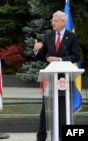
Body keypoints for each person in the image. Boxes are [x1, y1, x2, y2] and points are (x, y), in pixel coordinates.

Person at [33, 11, 80, 141]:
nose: (52, 23)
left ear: (63, 22)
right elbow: (42, 56)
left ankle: (63, 135)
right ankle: (41, 137)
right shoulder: (49, 35)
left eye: (55, 20)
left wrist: (59, 60)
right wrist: (36, 50)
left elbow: (76, 56)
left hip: (65, 79)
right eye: (52, 20)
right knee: (45, 110)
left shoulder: (71, 37)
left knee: (63, 109)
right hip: (51, 78)